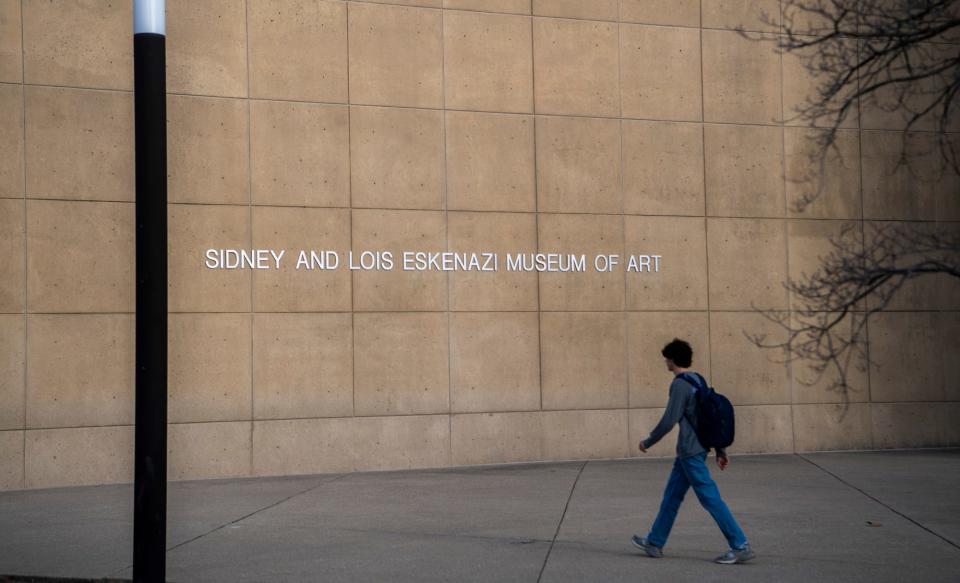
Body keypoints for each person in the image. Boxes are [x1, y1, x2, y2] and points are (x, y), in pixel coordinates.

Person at [631, 338, 755, 565]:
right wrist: (720, 449)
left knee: (710, 498)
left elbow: (670, 419)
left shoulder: (679, 384)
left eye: (666, 358)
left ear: (672, 359)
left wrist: (648, 442)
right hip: (692, 451)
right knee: (671, 497)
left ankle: (740, 544)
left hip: (691, 452)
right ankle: (655, 542)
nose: (665, 362)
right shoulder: (698, 379)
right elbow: (709, 418)